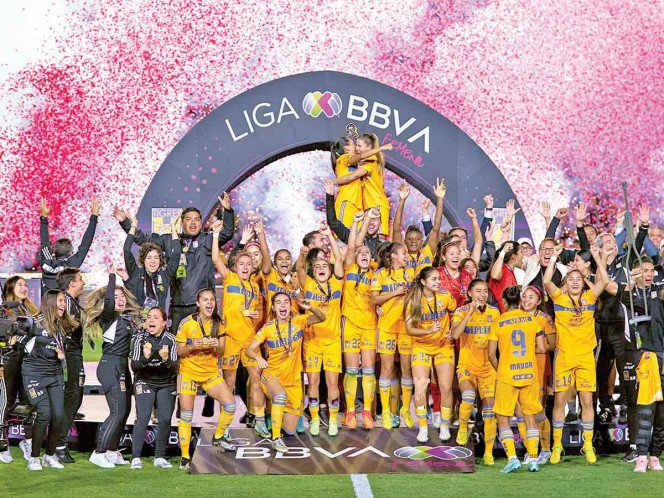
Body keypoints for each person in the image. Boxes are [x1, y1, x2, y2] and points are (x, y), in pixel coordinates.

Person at [114, 193, 235, 332]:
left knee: (205, 342)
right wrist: (125, 222)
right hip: (178, 306)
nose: (193, 223)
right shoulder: (169, 240)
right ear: (182, 223)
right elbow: (142, 239)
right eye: (189, 219)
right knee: (176, 342)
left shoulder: (208, 240)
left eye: (197, 219)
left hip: (202, 305)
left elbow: (227, 233)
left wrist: (228, 211)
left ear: (201, 223)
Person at [543, 244, 609, 465]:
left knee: (587, 401)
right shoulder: (559, 298)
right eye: (570, 279)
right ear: (566, 282)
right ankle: (557, 446)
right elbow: (546, 281)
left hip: (585, 357)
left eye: (578, 279)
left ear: (583, 282)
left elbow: (604, 281)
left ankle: (588, 445)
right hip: (564, 357)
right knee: (560, 401)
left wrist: (598, 258)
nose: (574, 282)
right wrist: (553, 258)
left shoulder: (589, 298)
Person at [246, 293, 326, 453]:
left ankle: (272, 417)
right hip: (272, 376)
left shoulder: (299, 321)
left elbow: (322, 318)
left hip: (294, 381)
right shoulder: (268, 328)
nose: (282, 305)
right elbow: (249, 350)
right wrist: (258, 357)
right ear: (273, 308)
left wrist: (311, 308)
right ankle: (276, 438)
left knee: (290, 429)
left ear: (290, 306)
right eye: (278, 303)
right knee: (280, 396)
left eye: (285, 302)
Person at [210, 220, 268, 439]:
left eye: (248, 264)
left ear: (253, 267)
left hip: (249, 339)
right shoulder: (229, 278)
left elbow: (253, 313)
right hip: (230, 339)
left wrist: (251, 315)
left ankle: (259, 420)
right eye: (241, 263)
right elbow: (216, 258)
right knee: (229, 384)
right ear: (235, 266)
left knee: (257, 378)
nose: (245, 267)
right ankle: (224, 426)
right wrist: (216, 235)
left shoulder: (254, 287)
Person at [85, 268, 142, 468]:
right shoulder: (108, 317)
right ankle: (98, 452)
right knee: (117, 411)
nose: (120, 300)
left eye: (122, 296)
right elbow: (109, 301)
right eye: (116, 297)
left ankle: (112, 450)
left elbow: (137, 296)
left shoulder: (126, 318)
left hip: (122, 366)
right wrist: (112, 278)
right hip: (111, 366)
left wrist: (126, 280)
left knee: (125, 411)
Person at [175, 288, 237, 470]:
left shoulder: (219, 323)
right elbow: (179, 351)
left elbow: (221, 352)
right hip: (188, 372)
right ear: (198, 303)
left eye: (212, 300)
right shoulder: (186, 323)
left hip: (210, 373)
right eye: (205, 300)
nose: (209, 303)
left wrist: (217, 346)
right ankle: (185, 456)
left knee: (230, 405)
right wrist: (193, 346)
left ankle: (218, 436)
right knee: (186, 415)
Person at [488, 286, 548, 474]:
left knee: (503, 418)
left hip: (506, 374)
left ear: (504, 302)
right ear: (520, 301)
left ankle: (513, 459)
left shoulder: (498, 322)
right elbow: (542, 348)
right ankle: (533, 459)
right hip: (529, 373)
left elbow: (491, 354)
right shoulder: (532, 320)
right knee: (530, 416)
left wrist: (502, 368)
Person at [296, 224, 344, 436]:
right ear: (313, 271)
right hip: (312, 342)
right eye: (317, 267)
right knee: (313, 382)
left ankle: (333, 420)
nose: (321, 268)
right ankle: (315, 419)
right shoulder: (308, 284)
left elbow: (339, 260)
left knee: (332, 383)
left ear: (330, 269)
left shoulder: (337, 283)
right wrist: (302, 254)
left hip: (332, 341)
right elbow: (299, 268)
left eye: (325, 265)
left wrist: (328, 237)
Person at [21, 290, 78, 470]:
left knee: (59, 416)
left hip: (55, 374)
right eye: (60, 301)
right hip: (34, 374)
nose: (63, 305)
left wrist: (60, 355)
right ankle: (34, 458)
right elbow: (20, 345)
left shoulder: (62, 325)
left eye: (64, 301)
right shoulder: (34, 323)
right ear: (50, 302)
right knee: (44, 413)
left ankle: (50, 455)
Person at [450, 279, 501, 464]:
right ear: (470, 293)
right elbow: (455, 335)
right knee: (469, 397)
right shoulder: (461, 311)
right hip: (467, 365)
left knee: (490, 411)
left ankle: (488, 452)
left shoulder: (494, 312)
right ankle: (463, 427)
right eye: (478, 291)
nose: (482, 295)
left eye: (485, 291)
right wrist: (470, 312)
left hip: (488, 368)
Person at [404, 267, 457, 443]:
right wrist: (428, 330)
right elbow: (409, 330)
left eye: (439, 278)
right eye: (434, 279)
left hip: (443, 346)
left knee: (445, 386)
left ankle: (444, 425)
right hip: (421, 346)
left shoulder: (445, 296)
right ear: (423, 282)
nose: (438, 282)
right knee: (420, 386)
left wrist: (452, 329)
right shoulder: (413, 300)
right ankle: (423, 427)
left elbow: (454, 315)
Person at [341, 212, 378, 430]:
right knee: (352, 370)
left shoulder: (375, 272)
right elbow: (354, 245)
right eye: (360, 252)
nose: (363, 254)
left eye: (367, 252)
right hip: (351, 324)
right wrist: (358, 222)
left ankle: (367, 412)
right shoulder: (349, 267)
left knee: (369, 370)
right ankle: (350, 412)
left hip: (370, 326)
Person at [371, 242, 413, 429]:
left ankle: (405, 409)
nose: (407, 256)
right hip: (387, 327)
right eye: (404, 253)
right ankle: (386, 411)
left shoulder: (409, 273)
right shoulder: (380, 274)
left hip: (405, 328)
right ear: (394, 256)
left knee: (406, 369)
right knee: (386, 369)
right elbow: (374, 298)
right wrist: (394, 293)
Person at [130, 307, 178, 469]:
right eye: (149, 317)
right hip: (144, 381)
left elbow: (175, 367)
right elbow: (134, 366)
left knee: (164, 419)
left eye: (156, 318)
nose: (151, 320)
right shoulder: (139, 338)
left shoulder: (171, 339)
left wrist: (166, 359)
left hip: (166, 383)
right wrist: (145, 358)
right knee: (143, 417)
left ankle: (159, 456)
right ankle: (136, 457)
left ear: (164, 323)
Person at [2, 276, 40, 461]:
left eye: (25, 285)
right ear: (11, 288)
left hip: (28, 361)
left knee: (29, 401)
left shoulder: (31, 310)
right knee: (7, 402)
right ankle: (3, 444)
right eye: (20, 285)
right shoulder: (4, 310)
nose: (24, 287)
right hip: (9, 361)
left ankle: (28, 441)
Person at [519, 285, 556, 465]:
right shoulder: (515, 317)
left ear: (539, 301)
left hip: (539, 368)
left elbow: (553, 344)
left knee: (538, 410)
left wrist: (533, 346)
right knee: (523, 411)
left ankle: (546, 449)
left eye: (531, 297)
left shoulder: (544, 318)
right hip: (519, 369)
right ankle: (530, 449)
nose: (527, 300)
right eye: (524, 296)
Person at [53, 268, 86, 464]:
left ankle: (58, 442)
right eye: (80, 279)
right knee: (71, 398)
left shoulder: (71, 302)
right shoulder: (63, 302)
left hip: (73, 354)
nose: (83, 282)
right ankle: (59, 445)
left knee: (74, 397)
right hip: (69, 355)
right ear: (72, 283)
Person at [330, 134, 393, 235]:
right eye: (355, 145)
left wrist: (333, 182)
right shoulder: (345, 158)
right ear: (347, 149)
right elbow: (358, 161)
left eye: (359, 146)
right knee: (346, 236)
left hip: (375, 203)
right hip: (351, 202)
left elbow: (353, 176)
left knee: (375, 238)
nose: (356, 148)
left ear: (369, 147)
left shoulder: (371, 162)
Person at [38, 198, 100, 293]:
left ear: (54, 252)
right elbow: (85, 244)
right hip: (65, 301)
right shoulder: (72, 264)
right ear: (71, 253)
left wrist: (44, 217)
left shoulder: (46, 262)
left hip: (46, 301)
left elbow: (44, 242)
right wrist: (94, 217)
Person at [122, 213, 181, 312]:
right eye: (149, 258)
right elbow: (126, 250)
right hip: (138, 319)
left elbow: (176, 253)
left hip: (158, 319)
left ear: (160, 260)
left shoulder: (165, 274)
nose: (153, 261)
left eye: (156, 258)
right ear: (143, 260)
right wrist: (133, 226)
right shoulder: (136, 272)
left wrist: (173, 228)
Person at [392, 180, 445, 275]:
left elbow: (436, 229)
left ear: (421, 241)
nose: (414, 241)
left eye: (417, 239)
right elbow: (396, 229)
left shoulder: (427, 252)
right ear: (405, 242)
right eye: (410, 239)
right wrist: (402, 200)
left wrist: (440, 199)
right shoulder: (401, 255)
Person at [488, 240, 524, 312]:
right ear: (513, 256)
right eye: (521, 252)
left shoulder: (509, 271)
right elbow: (494, 275)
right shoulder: (503, 269)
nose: (523, 255)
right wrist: (503, 252)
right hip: (499, 315)